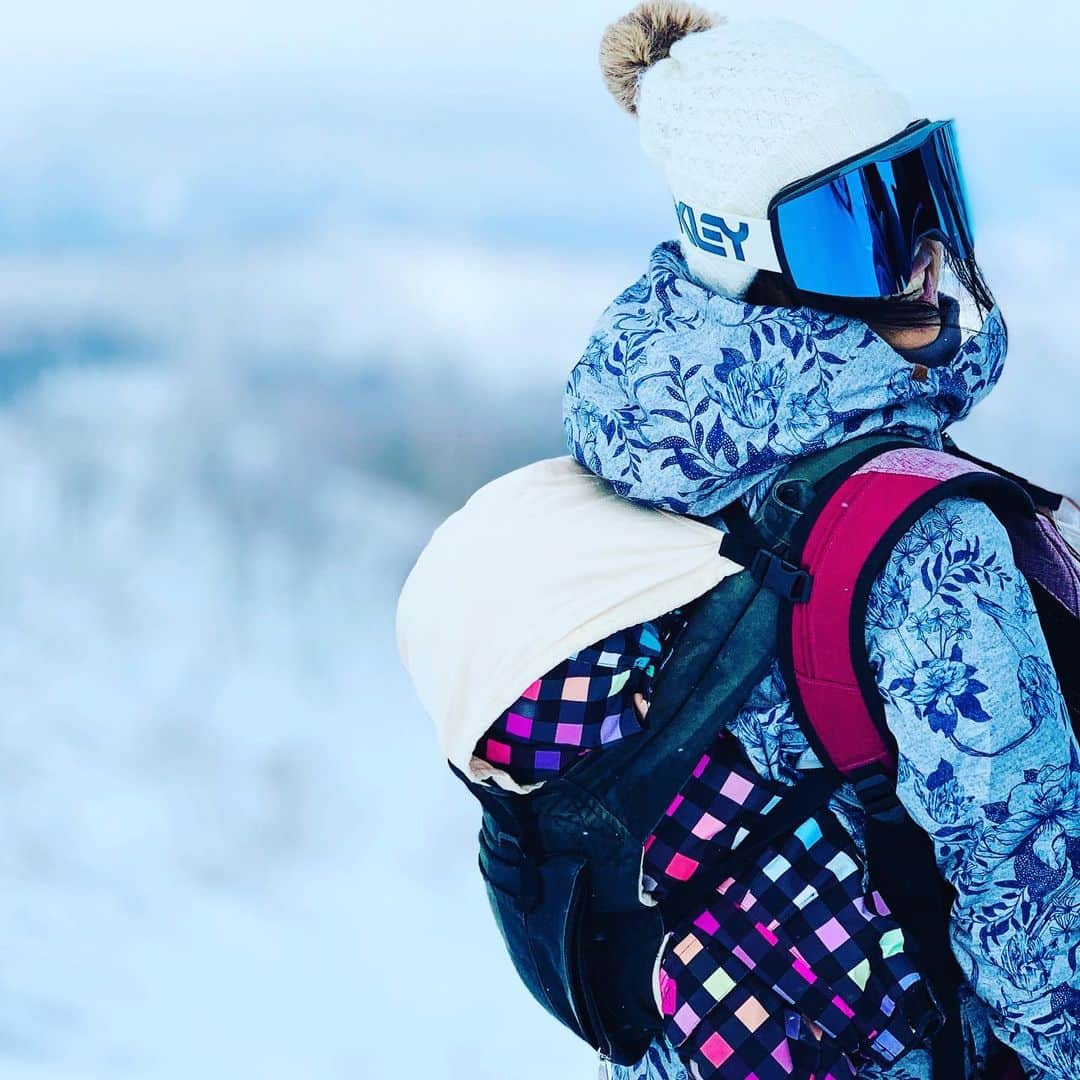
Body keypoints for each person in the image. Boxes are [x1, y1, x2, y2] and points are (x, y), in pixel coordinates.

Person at [473, 3, 1079, 1078]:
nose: (927, 260)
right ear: (747, 249)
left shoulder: (636, 456)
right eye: (871, 224)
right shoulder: (931, 541)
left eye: (927, 197)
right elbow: (1031, 901)